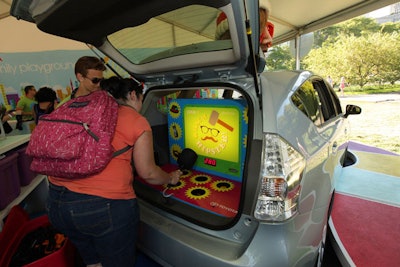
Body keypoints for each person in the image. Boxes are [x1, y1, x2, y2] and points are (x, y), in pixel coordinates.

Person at [46, 76, 183, 267]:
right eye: (142, 99)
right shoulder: (134, 119)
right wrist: (171, 178)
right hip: (103, 206)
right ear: (133, 94)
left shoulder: (82, 109)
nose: (142, 105)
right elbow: (148, 173)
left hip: (56, 202)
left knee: (92, 259)